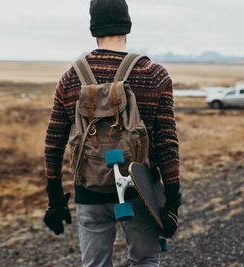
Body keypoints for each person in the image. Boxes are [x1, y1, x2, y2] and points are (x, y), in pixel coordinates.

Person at [43, 0, 181, 266]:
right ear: (127, 25)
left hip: (89, 190)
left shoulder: (70, 78)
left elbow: (53, 142)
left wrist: (54, 200)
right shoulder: (154, 75)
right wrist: (172, 200)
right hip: (139, 190)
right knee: (145, 260)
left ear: (93, 28)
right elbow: (167, 143)